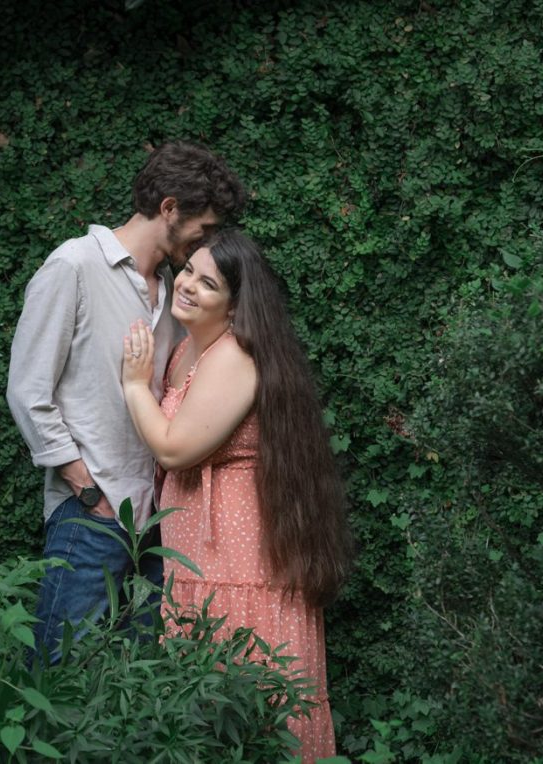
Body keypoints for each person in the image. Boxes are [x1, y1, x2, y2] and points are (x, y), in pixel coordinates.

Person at [7, 141, 247, 666]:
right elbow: (27, 390)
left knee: (131, 684)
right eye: (202, 229)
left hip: (154, 523)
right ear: (168, 209)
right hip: (91, 514)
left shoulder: (173, 291)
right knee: (58, 670)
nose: (207, 242)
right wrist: (87, 486)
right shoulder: (73, 266)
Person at [120, 229, 355, 761]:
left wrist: (135, 386)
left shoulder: (232, 357)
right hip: (200, 563)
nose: (187, 286)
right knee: (206, 704)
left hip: (236, 564)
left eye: (208, 284)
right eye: (188, 272)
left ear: (233, 306)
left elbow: (176, 450)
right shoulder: (186, 351)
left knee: (245, 697)